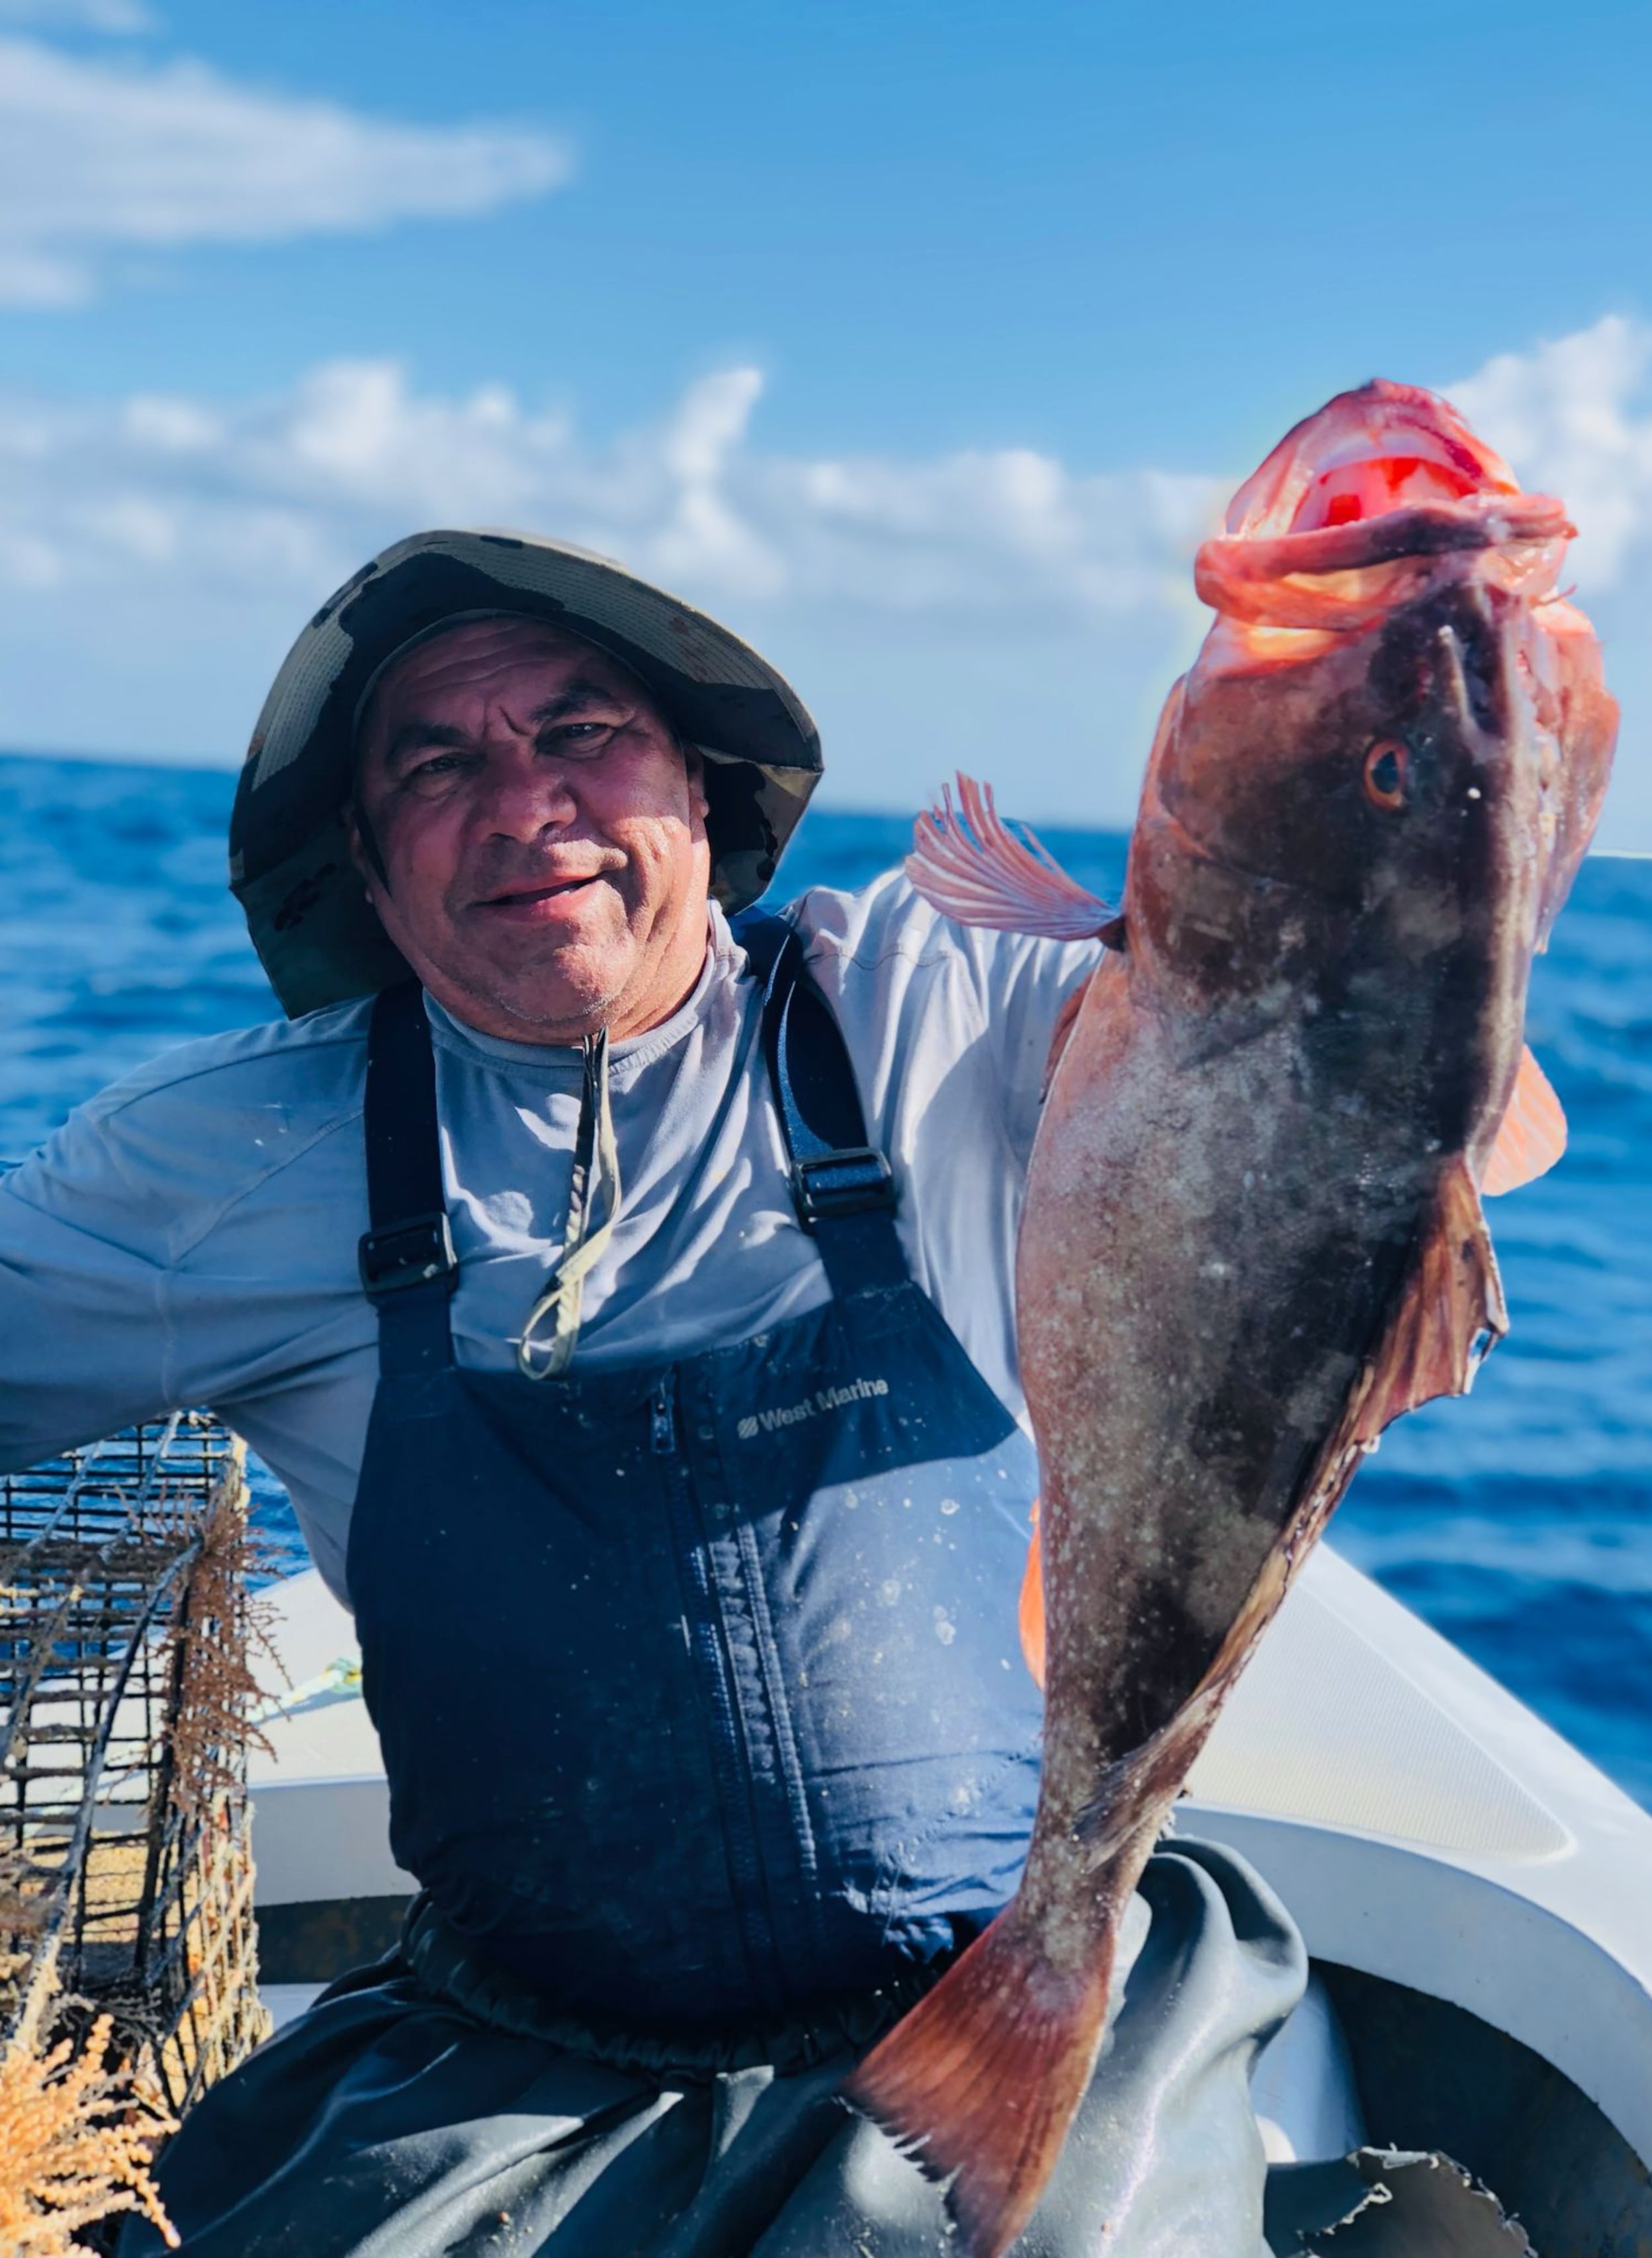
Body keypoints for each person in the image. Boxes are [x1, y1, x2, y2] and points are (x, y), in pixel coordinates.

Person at [0, 531, 1305, 2255]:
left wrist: (1364, 753)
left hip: (1039, 1986)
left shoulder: (950, 1004)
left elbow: (1354, 1076)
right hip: (509, 2062)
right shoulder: (222, 1163)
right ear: (372, 883)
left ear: (705, 796)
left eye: (579, 731)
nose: (525, 800)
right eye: (436, 763)